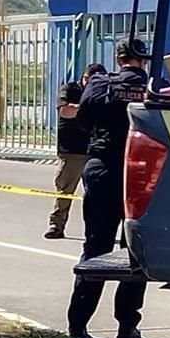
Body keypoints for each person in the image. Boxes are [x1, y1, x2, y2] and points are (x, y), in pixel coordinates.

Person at [67, 38, 149, 338]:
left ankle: (78, 325)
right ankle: (127, 326)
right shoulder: (156, 87)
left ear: (119, 60)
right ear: (141, 61)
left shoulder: (100, 84)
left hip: (103, 169)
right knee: (136, 252)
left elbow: (83, 121)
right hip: (141, 173)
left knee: (96, 247)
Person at [45, 63, 107, 240]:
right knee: (64, 191)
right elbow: (65, 111)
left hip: (95, 150)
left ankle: (95, 231)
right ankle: (56, 225)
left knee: (96, 195)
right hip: (72, 151)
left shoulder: (103, 92)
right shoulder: (71, 89)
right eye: (89, 80)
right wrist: (86, 106)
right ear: (84, 77)